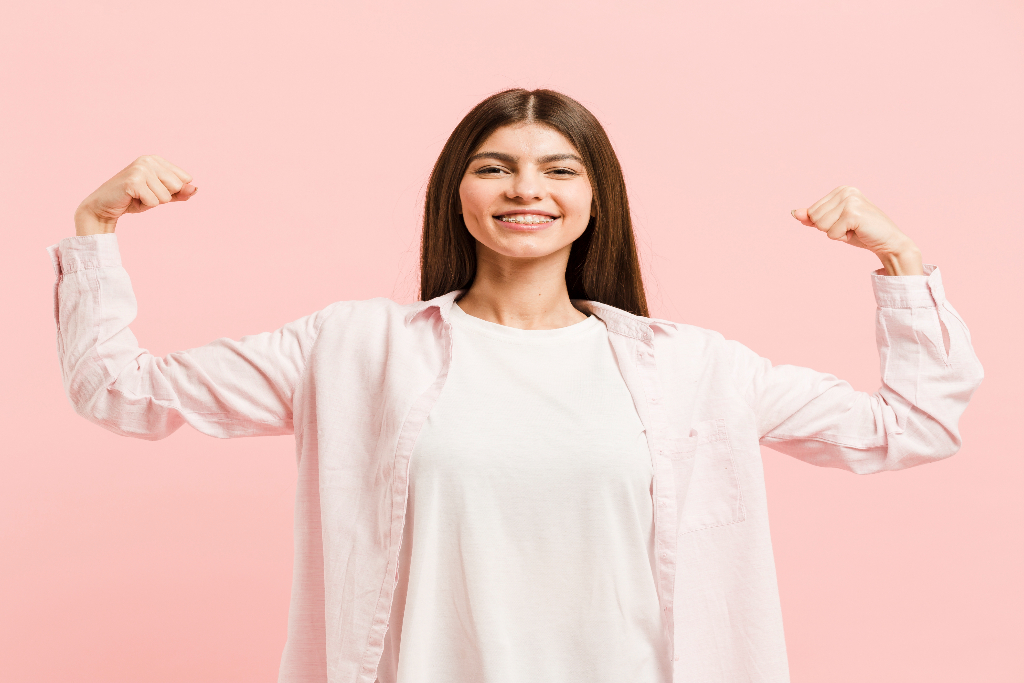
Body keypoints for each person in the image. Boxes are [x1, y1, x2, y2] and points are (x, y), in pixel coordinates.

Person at [49, 88, 983, 683]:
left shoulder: (693, 369)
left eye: (557, 168)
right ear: (456, 191)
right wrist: (94, 227)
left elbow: (911, 425)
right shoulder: (354, 349)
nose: (523, 188)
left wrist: (899, 259)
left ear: (593, 198)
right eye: (493, 166)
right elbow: (120, 390)